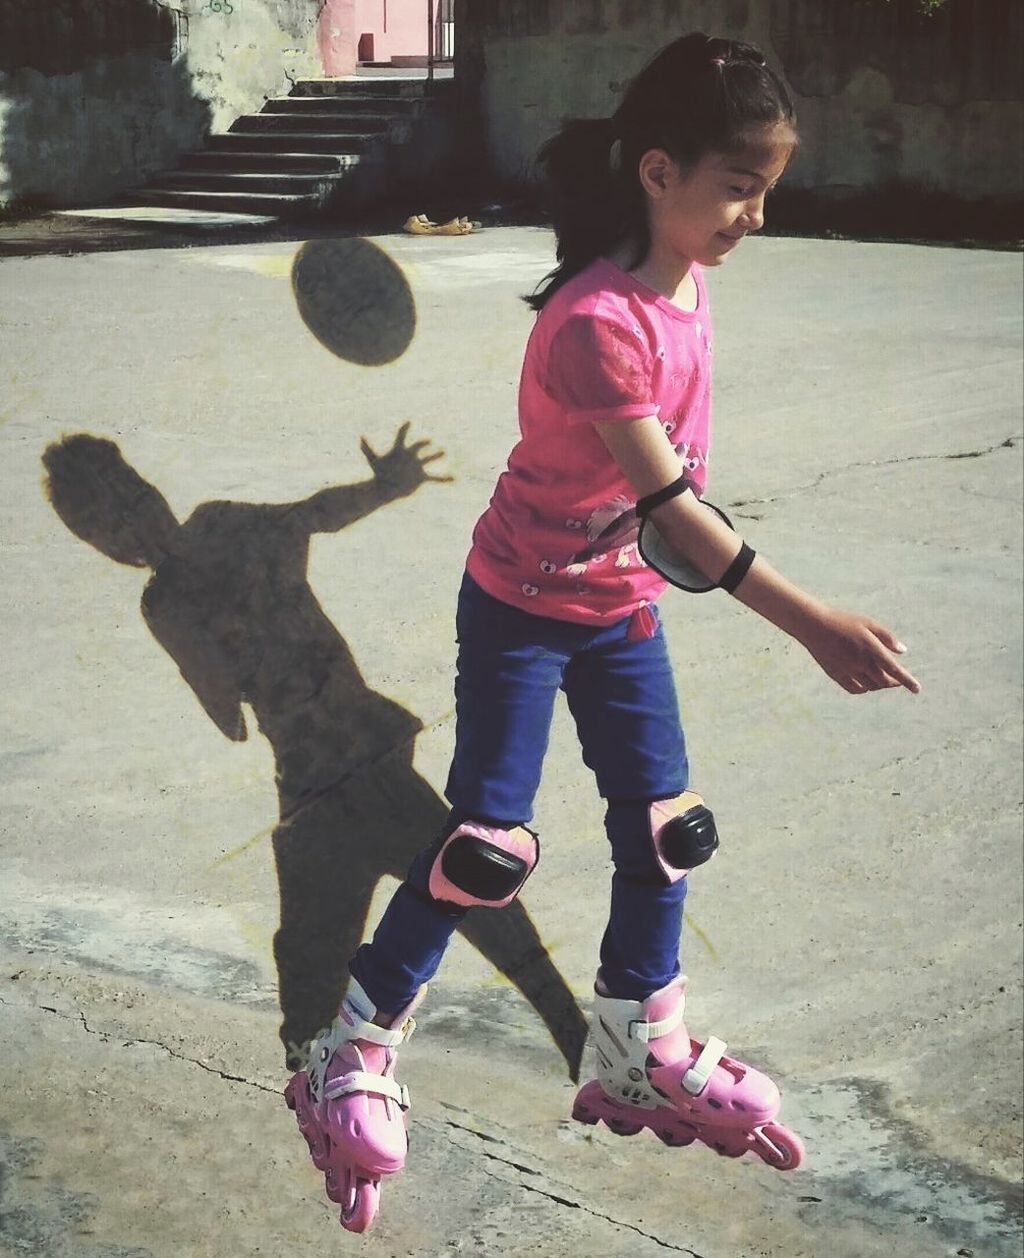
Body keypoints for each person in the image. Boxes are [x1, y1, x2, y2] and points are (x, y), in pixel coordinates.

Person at [285, 32, 921, 1231]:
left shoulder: (685, 286)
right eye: (739, 187)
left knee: (667, 828)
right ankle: (353, 1043)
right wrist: (809, 622)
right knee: (488, 844)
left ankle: (639, 1033)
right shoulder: (595, 321)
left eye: (766, 188)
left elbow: (669, 512)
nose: (756, 216)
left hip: (616, 603)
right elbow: (671, 506)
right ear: (657, 172)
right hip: (523, 606)